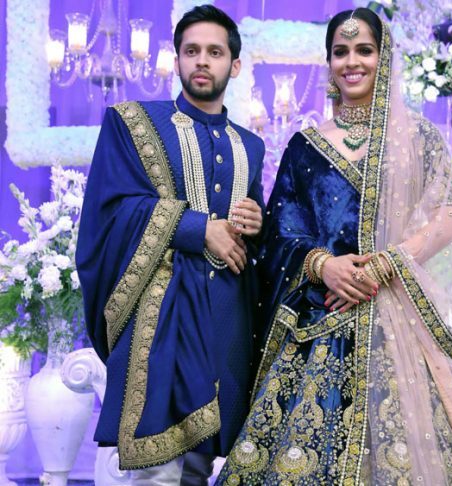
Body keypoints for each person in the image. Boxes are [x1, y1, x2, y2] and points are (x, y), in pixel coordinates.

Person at [217, 8, 452, 486]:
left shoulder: (419, 137)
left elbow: (446, 219)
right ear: (329, 63)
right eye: (341, 52)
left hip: (398, 316)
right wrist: (323, 265)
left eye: (364, 50)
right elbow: (280, 231)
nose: (352, 62)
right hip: (321, 313)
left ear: (383, 57)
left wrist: (386, 264)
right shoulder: (306, 145)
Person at [76, 5, 265, 484]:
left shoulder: (251, 145)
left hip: (225, 320)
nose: (202, 60)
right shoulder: (133, 123)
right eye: (191, 51)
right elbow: (110, 210)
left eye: (215, 52)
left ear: (234, 66)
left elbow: (257, 235)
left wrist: (257, 222)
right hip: (161, 318)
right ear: (177, 59)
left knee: (201, 467)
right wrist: (198, 228)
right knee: (156, 472)